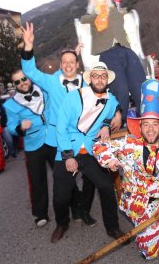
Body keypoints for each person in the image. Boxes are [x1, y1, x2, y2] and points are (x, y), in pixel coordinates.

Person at [20, 22, 117, 226]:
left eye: (72, 61)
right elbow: (30, 72)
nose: (68, 65)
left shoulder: (87, 82)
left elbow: (108, 98)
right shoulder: (50, 82)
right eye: (64, 61)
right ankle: (63, 220)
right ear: (60, 64)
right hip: (59, 140)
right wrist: (28, 47)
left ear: (77, 64)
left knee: (91, 181)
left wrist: (112, 117)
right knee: (63, 185)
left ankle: (84, 210)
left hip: (86, 141)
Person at [93, 80, 159, 259]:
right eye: (146, 124)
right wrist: (111, 160)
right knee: (151, 254)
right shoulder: (128, 144)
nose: (151, 129)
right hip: (139, 203)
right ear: (139, 126)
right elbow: (99, 146)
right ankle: (151, 233)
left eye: (155, 124)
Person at [51, 62, 126, 243]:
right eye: (96, 76)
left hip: (91, 151)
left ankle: (113, 227)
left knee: (107, 187)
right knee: (61, 196)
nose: (99, 79)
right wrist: (68, 157)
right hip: (68, 148)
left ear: (107, 80)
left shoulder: (109, 99)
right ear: (89, 79)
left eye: (103, 76)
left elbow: (116, 107)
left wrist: (110, 123)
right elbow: (60, 128)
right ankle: (62, 223)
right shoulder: (72, 97)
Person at [80, 0, 146, 123]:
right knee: (121, 90)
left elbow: (124, 13)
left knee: (140, 87)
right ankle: (120, 123)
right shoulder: (94, 17)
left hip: (126, 49)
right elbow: (82, 20)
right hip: (108, 54)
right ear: (93, 1)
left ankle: (144, 119)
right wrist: (97, 14)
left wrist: (118, 10)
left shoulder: (115, 11)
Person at [3, 69, 56, 228]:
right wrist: (20, 127)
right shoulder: (11, 105)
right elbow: (10, 126)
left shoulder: (45, 91)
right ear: (14, 85)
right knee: (37, 180)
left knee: (64, 174)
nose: (22, 83)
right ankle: (41, 214)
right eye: (17, 81)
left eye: (24, 78)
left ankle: (75, 205)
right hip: (33, 144)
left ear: (29, 77)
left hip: (53, 139)